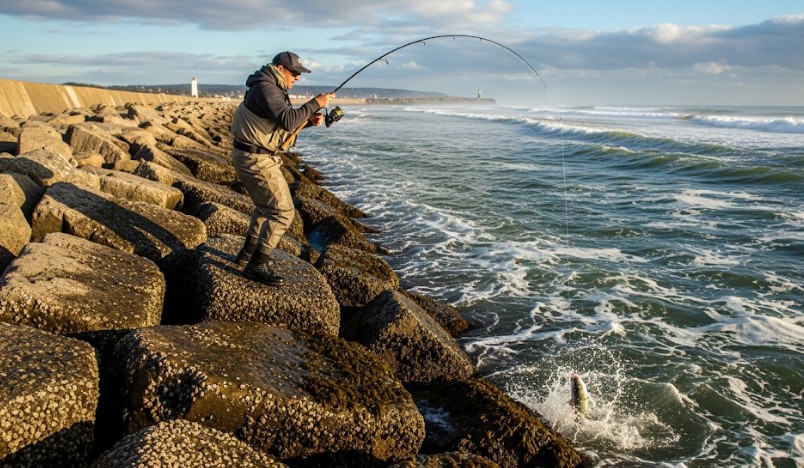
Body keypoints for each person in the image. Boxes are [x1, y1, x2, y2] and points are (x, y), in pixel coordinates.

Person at [230, 51, 335, 286]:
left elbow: (279, 125)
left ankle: (245, 256)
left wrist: (308, 121)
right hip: (255, 158)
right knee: (283, 212)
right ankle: (257, 266)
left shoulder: (269, 87)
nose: (297, 77)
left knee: (265, 208)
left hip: (254, 155)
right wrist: (316, 103)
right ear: (280, 68)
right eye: (294, 72)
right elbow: (287, 120)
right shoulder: (266, 88)